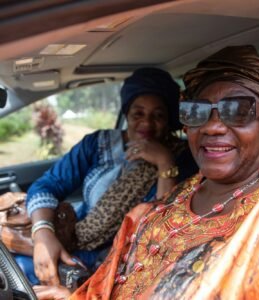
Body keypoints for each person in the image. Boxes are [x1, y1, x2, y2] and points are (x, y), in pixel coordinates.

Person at [34, 45, 259, 300]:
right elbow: (110, 285)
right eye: (198, 112)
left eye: (238, 111)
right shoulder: (156, 209)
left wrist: (164, 162)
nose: (212, 127)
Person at [17, 67, 197, 286]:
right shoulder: (97, 144)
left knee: (20, 272)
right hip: (74, 239)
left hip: (127, 260)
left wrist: (164, 162)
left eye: (158, 116)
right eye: (138, 113)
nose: (147, 124)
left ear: (169, 119)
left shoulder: (183, 157)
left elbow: (164, 225)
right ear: (127, 112)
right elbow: (46, 185)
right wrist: (43, 234)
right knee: (11, 266)